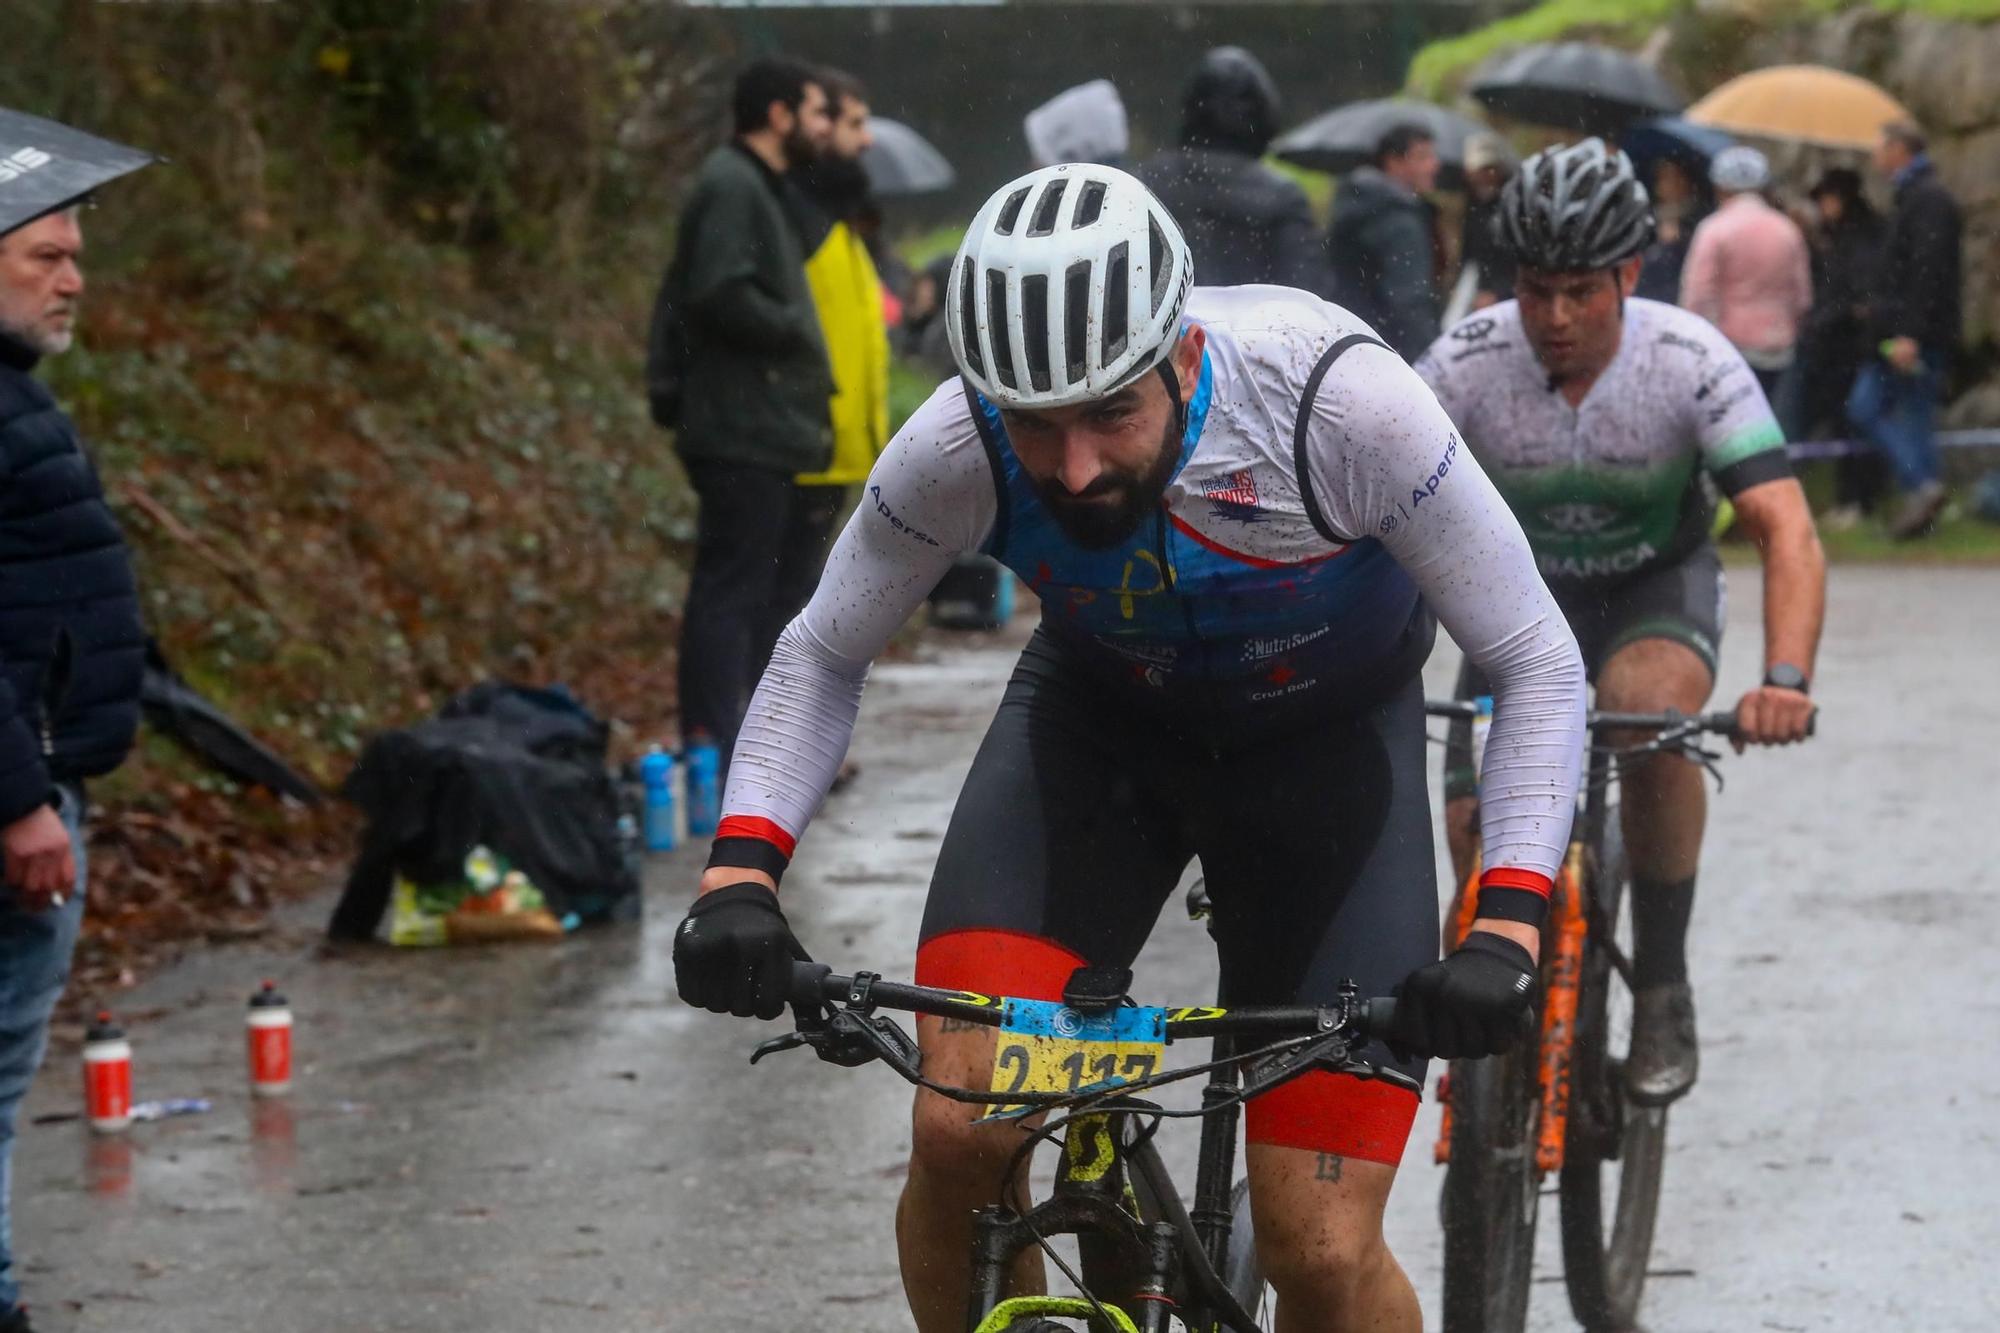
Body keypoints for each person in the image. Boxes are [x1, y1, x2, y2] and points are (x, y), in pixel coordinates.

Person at [675, 163, 1588, 1333]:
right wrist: (737, 877)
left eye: (1111, 412)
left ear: (1186, 357)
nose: (1072, 467)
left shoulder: (1336, 403)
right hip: (1095, 742)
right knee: (960, 1132)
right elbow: (819, 653)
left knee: (1318, 1249)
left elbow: (1533, 658)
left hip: (1323, 761)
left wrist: (1506, 923)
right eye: (1033, 424)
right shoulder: (954, 443)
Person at [1416, 139, 1825, 1107]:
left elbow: (1784, 526)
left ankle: (1661, 983)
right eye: (1533, 290)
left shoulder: (1686, 359)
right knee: (1479, 838)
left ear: (1628, 275)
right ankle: (1487, 1097)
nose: (1554, 318)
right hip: (1516, 610)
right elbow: (1366, 508)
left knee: (1643, 714)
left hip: (1650, 591)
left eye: (1580, 293)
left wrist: (1785, 678)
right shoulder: (1463, 361)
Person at [0, 203, 147, 1330]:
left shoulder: (16, 398)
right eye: (46, 257)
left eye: (77, 257)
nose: (73, 281)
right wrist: (20, 801)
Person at [663, 57, 834, 765]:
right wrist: (794, 325)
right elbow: (719, 290)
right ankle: (711, 738)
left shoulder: (756, 184)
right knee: (730, 589)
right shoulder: (733, 184)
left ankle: (743, 737)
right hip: (739, 432)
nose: (820, 127)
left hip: (761, 429)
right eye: (815, 112)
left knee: (749, 586)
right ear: (778, 114)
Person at [761, 69, 891, 684]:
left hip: (834, 445)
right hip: (804, 439)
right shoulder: (794, 214)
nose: (866, 141)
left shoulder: (838, 219)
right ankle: (765, 747)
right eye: (854, 123)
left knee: (798, 598)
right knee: (780, 605)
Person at [1137, 46, 1329, 293]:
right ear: (1263, 113)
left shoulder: (1146, 182)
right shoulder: (1283, 197)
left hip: (1174, 331)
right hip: (1259, 330)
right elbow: (1305, 296)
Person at [1849, 120, 1962, 540]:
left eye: (1880, 147)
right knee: (1911, 415)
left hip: (1912, 336)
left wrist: (1910, 334)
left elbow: (1927, 272)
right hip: (1903, 330)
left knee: (1869, 407)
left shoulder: (1927, 200)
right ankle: (1925, 505)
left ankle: (1922, 487)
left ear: (1900, 149)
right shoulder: (1913, 197)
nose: (1875, 155)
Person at [1679, 146, 1812, 411]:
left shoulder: (1714, 229)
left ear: (1720, 187)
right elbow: (1802, 296)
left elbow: (1697, 295)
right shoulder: (1787, 230)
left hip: (1727, 347)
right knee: (1763, 418)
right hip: (1777, 347)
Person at [1799, 168, 1886, 526]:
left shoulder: (1858, 238)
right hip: (1839, 344)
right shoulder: (1844, 235)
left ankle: (1856, 498)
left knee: (1852, 422)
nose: (1823, 206)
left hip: (1848, 346)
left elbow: (1852, 295)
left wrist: (1824, 320)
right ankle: (1851, 496)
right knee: (1844, 423)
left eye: (1827, 198)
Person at [1326, 123, 1441, 359]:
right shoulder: (1399, 220)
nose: (1434, 165)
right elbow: (1409, 300)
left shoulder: (1354, 207)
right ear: (1394, 161)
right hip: (1391, 353)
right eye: (1423, 157)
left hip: (1344, 342)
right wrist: (1434, 358)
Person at [1633, 156, 1709, 305]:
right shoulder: (1646, 213)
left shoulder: (1698, 217)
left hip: (1676, 297)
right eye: (1663, 178)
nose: (1668, 184)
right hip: (1645, 293)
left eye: (1675, 178)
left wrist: (1680, 240)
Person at [1457, 132, 1518, 313]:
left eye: (1487, 169)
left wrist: (1496, 291)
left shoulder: (1511, 206)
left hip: (1503, 296)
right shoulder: (1474, 204)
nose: (1481, 176)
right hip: (1474, 287)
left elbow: (1511, 257)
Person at [1023, 79, 1128, 169]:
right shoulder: (1037, 125)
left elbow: (1053, 164)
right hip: (1102, 154)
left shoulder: (1037, 128)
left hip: (1100, 155)